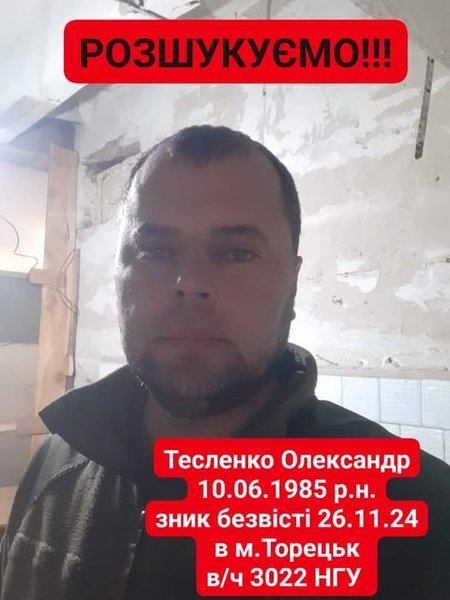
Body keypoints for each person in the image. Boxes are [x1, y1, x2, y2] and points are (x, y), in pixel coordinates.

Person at [0, 125, 449, 600]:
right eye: (154, 251)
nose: (190, 282)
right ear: (117, 276)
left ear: (293, 284)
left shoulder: (422, 517)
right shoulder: (55, 461)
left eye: (237, 252)